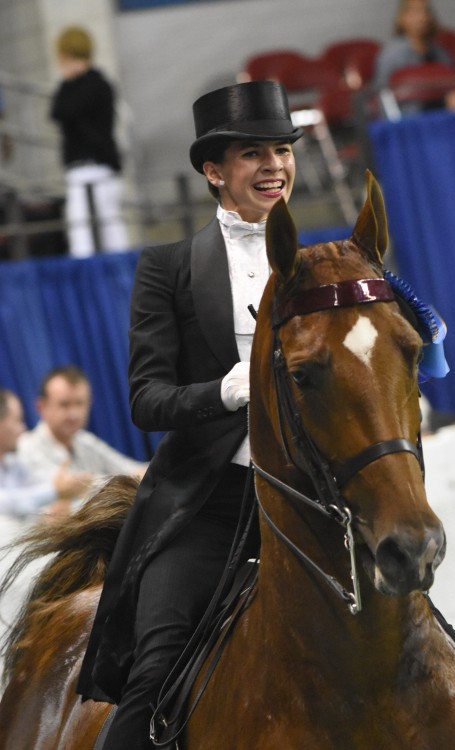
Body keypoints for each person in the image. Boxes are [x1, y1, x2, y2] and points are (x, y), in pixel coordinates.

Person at [76, 80, 303, 749]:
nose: (274, 166)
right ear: (214, 170)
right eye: (253, 154)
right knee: (154, 682)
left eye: (282, 151)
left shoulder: (320, 266)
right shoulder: (167, 268)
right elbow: (145, 401)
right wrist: (226, 391)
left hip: (311, 503)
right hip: (209, 504)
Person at [50, 26, 130, 258]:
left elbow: (68, 110)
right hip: (80, 166)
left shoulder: (96, 84)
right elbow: (57, 111)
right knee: (81, 229)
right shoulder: (71, 87)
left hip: (99, 164)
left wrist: (70, 83)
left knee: (108, 227)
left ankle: (118, 277)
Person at [17, 365, 147, 503]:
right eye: (64, 405)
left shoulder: (85, 440)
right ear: (41, 407)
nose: (73, 414)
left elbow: (131, 469)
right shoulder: (26, 447)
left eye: (79, 404)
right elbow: (73, 489)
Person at [0, 387, 88, 518]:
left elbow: (32, 493)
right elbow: (11, 504)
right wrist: (56, 490)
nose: (22, 429)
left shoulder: (12, 464)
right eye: (17, 420)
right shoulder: (26, 449)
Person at [373, 0, 455, 113]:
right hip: (410, 118)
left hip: (442, 115)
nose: (422, 17)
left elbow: (453, 84)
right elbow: (381, 94)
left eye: (426, 11)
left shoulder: (439, 51)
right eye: (415, 12)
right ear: (402, 18)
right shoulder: (392, 54)